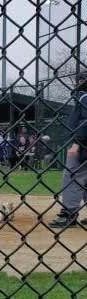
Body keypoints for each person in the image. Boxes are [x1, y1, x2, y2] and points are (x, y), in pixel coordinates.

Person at [49, 72, 87, 228]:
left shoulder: (84, 97)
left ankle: (68, 214)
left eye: (80, 80)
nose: (76, 82)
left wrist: (77, 142)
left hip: (83, 143)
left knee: (72, 175)